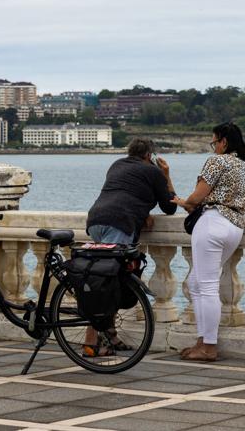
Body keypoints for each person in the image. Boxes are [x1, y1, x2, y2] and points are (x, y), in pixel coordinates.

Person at [83, 138, 177, 356]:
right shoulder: (152, 172)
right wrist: (166, 175)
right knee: (105, 284)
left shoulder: (117, 164)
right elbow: (169, 206)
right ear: (149, 156)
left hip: (95, 221)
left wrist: (141, 212)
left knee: (106, 278)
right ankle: (90, 342)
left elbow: (125, 192)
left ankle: (110, 335)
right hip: (119, 223)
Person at [171, 122, 245, 362]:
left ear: (223, 142)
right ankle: (201, 341)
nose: (213, 146)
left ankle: (209, 347)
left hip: (213, 223)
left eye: (214, 142)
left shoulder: (218, 161)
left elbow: (198, 196)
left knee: (206, 287)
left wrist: (185, 201)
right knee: (196, 283)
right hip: (235, 226)